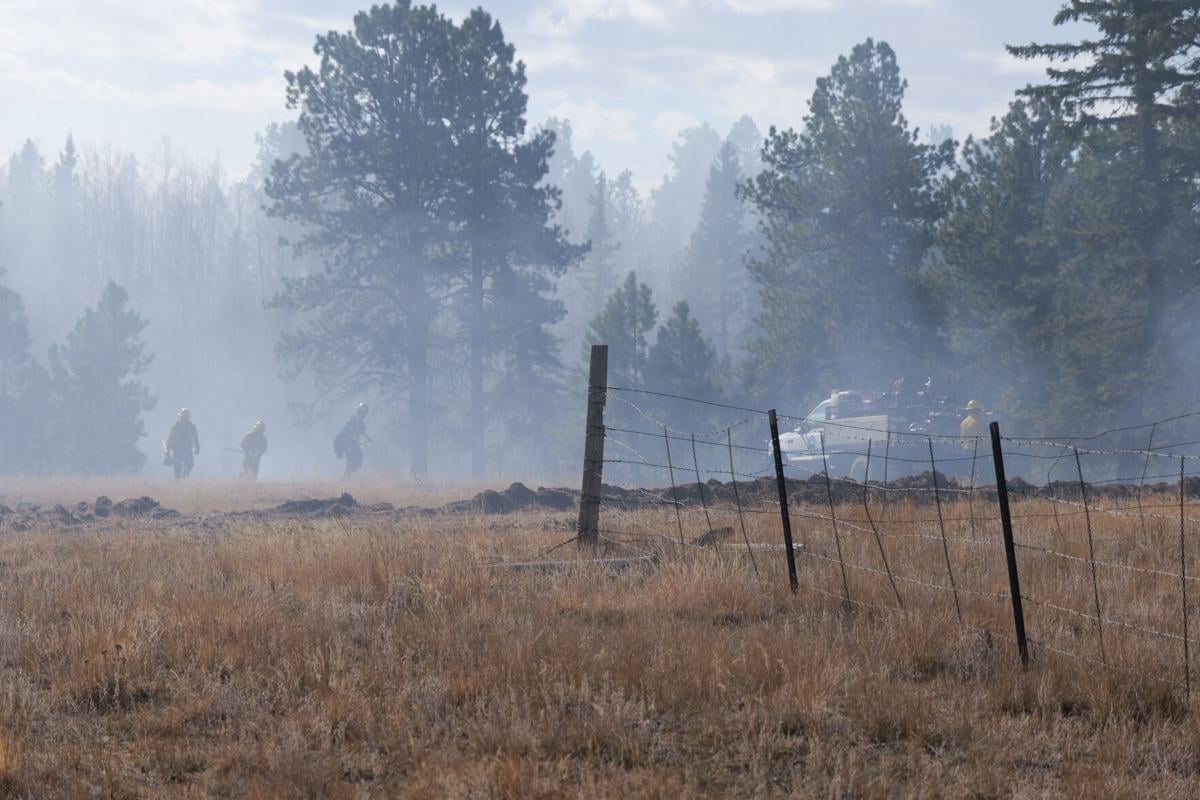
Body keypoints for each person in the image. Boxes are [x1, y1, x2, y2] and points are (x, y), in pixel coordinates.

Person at [334, 402, 370, 476]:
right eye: (362, 412)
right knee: (354, 460)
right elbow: (345, 432)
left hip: (353, 443)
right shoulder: (352, 420)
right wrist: (346, 445)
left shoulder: (360, 421)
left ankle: (347, 476)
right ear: (359, 411)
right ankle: (347, 477)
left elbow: (361, 431)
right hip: (349, 443)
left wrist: (368, 438)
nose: (363, 414)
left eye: (365, 412)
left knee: (359, 460)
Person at [165, 408, 200, 480]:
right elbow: (170, 440)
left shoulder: (188, 427)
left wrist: (167, 452)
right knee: (180, 468)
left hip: (183, 450)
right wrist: (197, 448)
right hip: (180, 450)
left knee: (187, 466)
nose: (184, 420)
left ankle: (183, 478)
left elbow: (170, 440)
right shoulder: (178, 427)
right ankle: (181, 481)